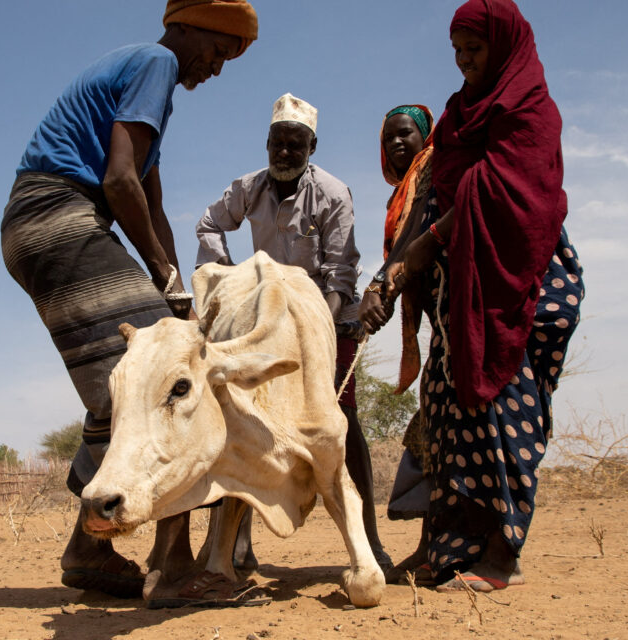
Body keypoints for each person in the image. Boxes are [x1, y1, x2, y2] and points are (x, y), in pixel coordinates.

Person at [1, 0, 258, 599]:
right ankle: (174, 566)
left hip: (39, 224)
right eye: (218, 51)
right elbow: (118, 181)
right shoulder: (154, 64)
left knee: (123, 387)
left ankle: (90, 547)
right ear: (188, 26)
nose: (216, 68)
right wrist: (165, 279)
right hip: (58, 215)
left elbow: (150, 203)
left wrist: (177, 296)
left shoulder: (148, 90)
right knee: (166, 374)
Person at [360, 0, 584, 592]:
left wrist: (427, 245)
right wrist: (392, 276)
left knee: (502, 409)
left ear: (504, 46)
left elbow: (506, 193)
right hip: (459, 299)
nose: (463, 61)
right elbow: (436, 198)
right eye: (457, 51)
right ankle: (447, 550)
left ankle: (501, 557)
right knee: (446, 411)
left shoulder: (531, 110)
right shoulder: (459, 114)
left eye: (474, 49)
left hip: (516, 288)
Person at [195, 93, 393, 573]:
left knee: (341, 421)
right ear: (267, 143)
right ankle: (235, 546)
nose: (285, 152)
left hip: (326, 317)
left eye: (296, 145)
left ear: (312, 147)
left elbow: (340, 274)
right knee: (241, 420)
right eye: (277, 143)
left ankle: (370, 543)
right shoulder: (248, 188)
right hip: (263, 319)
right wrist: (230, 277)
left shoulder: (332, 193)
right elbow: (209, 223)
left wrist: (315, 334)